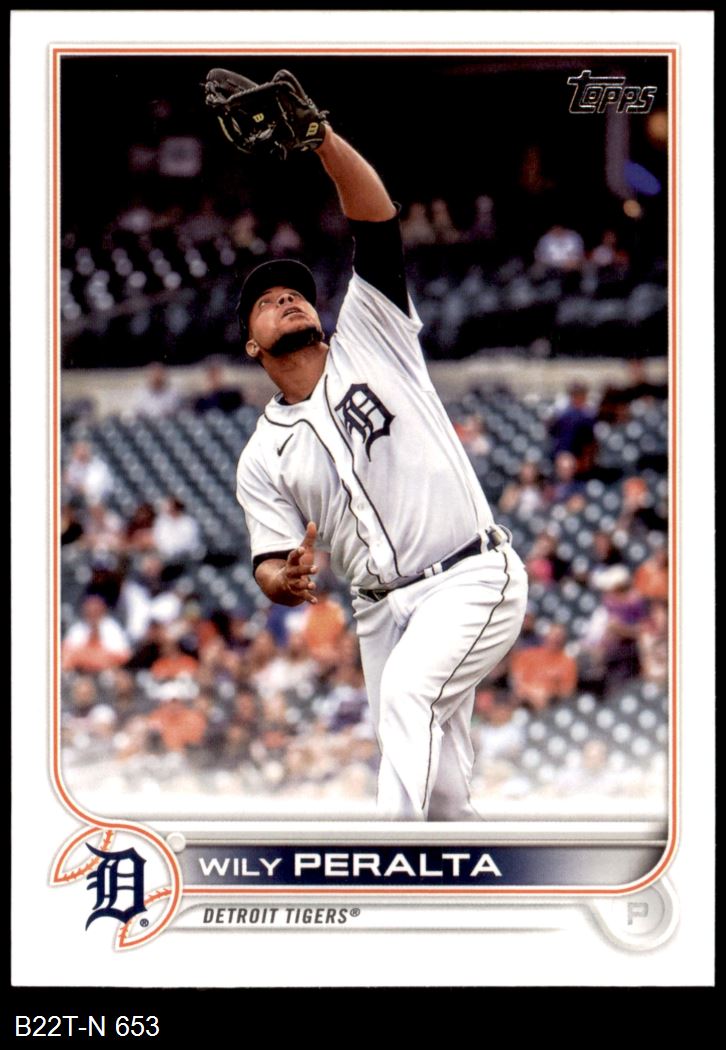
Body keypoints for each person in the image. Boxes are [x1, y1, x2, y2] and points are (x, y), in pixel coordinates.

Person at [234, 101, 528, 821]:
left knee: (407, 702)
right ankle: (465, 872)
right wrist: (282, 580)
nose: (287, 299)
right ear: (252, 346)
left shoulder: (372, 334)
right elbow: (268, 561)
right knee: (442, 786)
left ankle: (391, 859)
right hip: (379, 613)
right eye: (268, 302)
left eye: (297, 293)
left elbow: (376, 220)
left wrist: (322, 141)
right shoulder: (261, 455)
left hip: (467, 575)